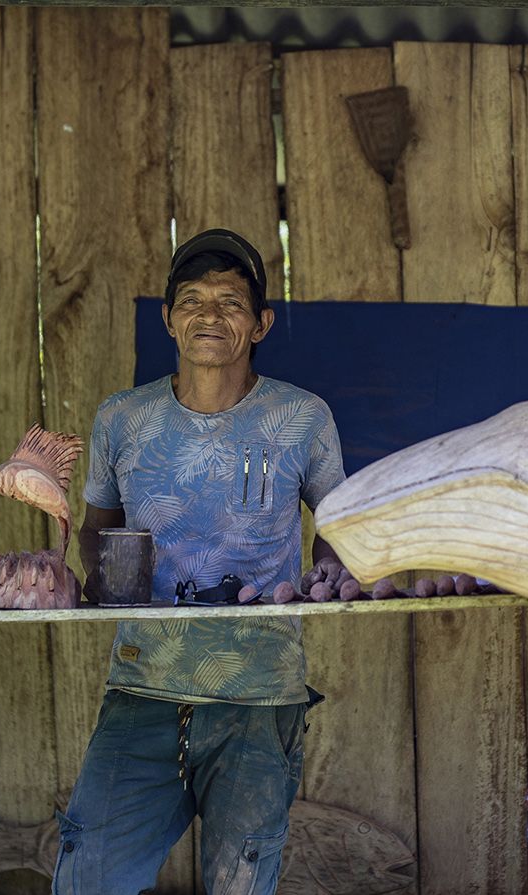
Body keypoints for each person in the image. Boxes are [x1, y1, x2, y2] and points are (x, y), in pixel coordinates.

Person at [54, 229, 345, 895]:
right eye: (192, 300)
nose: (209, 315)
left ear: (261, 323)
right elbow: (98, 535)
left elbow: (339, 529)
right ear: (167, 318)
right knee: (86, 879)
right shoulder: (121, 419)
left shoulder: (303, 418)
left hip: (258, 697)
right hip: (142, 691)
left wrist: (328, 573)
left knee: (240, 885)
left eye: (230, 302)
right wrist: (107, 579)